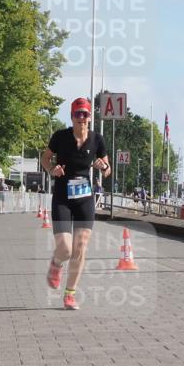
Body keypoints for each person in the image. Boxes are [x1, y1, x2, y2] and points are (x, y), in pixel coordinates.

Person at [41, 97, 110, 310]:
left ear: (90, 118)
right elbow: (45, 158)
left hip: (84, 198)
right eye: (78, 114)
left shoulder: (97, 140)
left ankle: (70, 294)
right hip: (62, 196)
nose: (82, 118)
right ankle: (56, 263)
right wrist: (52, 170)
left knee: (80, 247)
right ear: (71, 117)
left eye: (85, 114)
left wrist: (102, 166)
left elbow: (107, 169)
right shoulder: (60, 137)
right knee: (65, 249)